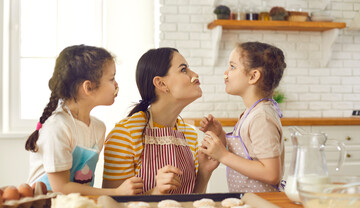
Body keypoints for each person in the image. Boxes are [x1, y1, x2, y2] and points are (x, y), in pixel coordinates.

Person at [26, 44, 143, 195]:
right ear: (88, 87)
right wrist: (117, 192)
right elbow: (61, 188)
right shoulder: (57, 128)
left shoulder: (99, 128)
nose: (116, 85)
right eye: (111, 78)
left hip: (76, 207)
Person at [103, 47, 219, 194]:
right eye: (183, 70)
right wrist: (155, 192)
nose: (195, 75)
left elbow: (193, 201)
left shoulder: (189, 134)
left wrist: (204, 171)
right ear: (161, 84)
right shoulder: (125, 135)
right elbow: (112, 205)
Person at [199, 41, 286, 193]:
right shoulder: (251, 113)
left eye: (232, 67)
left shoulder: (262, 117)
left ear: (253, 76)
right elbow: (246, 156)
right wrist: (220, 136)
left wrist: (223, 156)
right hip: (251, 203)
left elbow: (272, 174)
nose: (225, 73)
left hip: (263, 207)